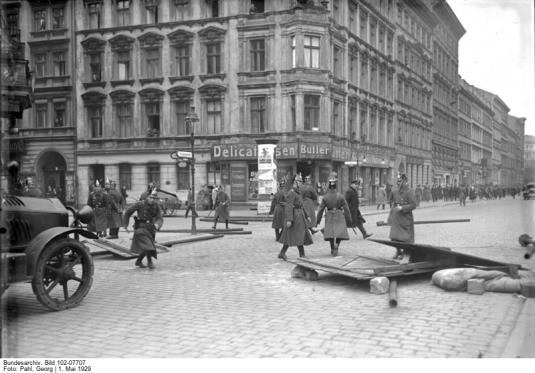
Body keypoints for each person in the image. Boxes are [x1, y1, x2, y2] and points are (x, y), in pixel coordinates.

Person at [123, 189, 163, 269]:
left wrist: (157, 225)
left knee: (147, 246)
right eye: (151, 198)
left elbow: (160, 218)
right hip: (141, 227)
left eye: (154, 198)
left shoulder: (156, 206)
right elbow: (128, 212)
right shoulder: (140, 204)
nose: (152, 200)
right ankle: (150, 262)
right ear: (147, 197)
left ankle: (138, 261)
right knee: (148, 245)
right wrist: (125, 224)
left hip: (151, 228)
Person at [277, 174, 313, 260]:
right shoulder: (291, 193)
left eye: (301, 181)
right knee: (293, 235)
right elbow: (288, 206)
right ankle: (284, 253)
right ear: (295, 182)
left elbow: (302, 205)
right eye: (300, 181)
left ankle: (300, 254)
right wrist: (289, 219)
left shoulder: (298, 193)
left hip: (300, 216)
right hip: (295, 217)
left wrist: (307, 215)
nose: (301, 183)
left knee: (299, 235)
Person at [316, 175, 351, 256]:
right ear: (335, 187)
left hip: (329, 215)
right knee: (339, 232)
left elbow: (320, 209)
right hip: (339, 215)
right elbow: (346, 209)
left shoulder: (325, 197)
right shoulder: (341, 196)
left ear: (329, 187)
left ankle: (332, 248)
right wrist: (349, 220)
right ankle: (337, 245)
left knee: (331, 233)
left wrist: (318, 220)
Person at [388, 174, 417, 260]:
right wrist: (391, 213)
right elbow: (391, 201)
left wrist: (402, 207)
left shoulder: (410, 191)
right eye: (397, 181)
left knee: (405, 238)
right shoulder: (394, 191)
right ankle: (398, 252)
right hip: (396, 217)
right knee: (394, 237)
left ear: (405, 181)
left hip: (405, 217)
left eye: (400, 181)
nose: (398, 183)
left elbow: (414, 205)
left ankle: (405, 253)